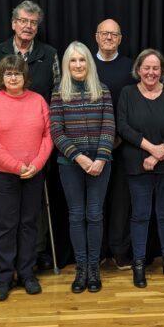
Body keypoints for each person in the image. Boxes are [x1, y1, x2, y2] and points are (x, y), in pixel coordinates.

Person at [0, 0, 60, 271]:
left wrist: (39, 156)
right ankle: (5, 271)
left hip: (38, 147)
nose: (28, 26)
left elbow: (58, 96)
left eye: (33, 23)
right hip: (2, 154)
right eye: (23, 21)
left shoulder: (49, 54)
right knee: (6, 219)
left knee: (32, 215)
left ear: (38, 28)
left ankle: (32, 262)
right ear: (13, 23)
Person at [0, 55, 53, 301]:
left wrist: (36, 164)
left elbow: (48, 136)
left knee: (29, 224)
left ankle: (26, 274)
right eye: (8, 73)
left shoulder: (38, 101)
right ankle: (4, 277)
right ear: (1, 77)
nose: (13, 77)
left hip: (33, 172)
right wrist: (15, 166)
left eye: (17, 73)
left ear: (25, 77)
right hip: (1, 174)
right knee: (6, 226)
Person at [117, 49, 164, 288]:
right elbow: (123, 127)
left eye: (155, 68)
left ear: (162, 71)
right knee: (140, 215)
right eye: (146, 68)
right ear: (138, 70)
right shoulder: (127, 93)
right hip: (138, 164)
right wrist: (150, 149)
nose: (151, 72)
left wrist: (160, 151)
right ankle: (138, 265)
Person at [50, 41, 115, 293]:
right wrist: (78, 157)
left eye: (82, 60)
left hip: (101, 163)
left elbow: (109, 126)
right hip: (70, 164)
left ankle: (94, 268)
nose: (78, 65)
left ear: (89, 63)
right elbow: (56, 130)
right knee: (76, 215)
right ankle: (81, 269)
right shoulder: (58, 92)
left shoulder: (103, 90)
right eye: (73, 60)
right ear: (67, 65)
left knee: (95, 214)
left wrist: (99, 158)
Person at [94, 19, 136, 270]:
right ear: (96, 37)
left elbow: (133, 107)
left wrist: (119, 138)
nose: (109, 38)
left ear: (120, 39)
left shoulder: (131, 67)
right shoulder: (85, 65)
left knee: (121, 200)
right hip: (91, 146)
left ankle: (120, 250)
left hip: (123, 145)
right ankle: (97, 251)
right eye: (104, 34)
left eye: (114, 34)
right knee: (95, 201)